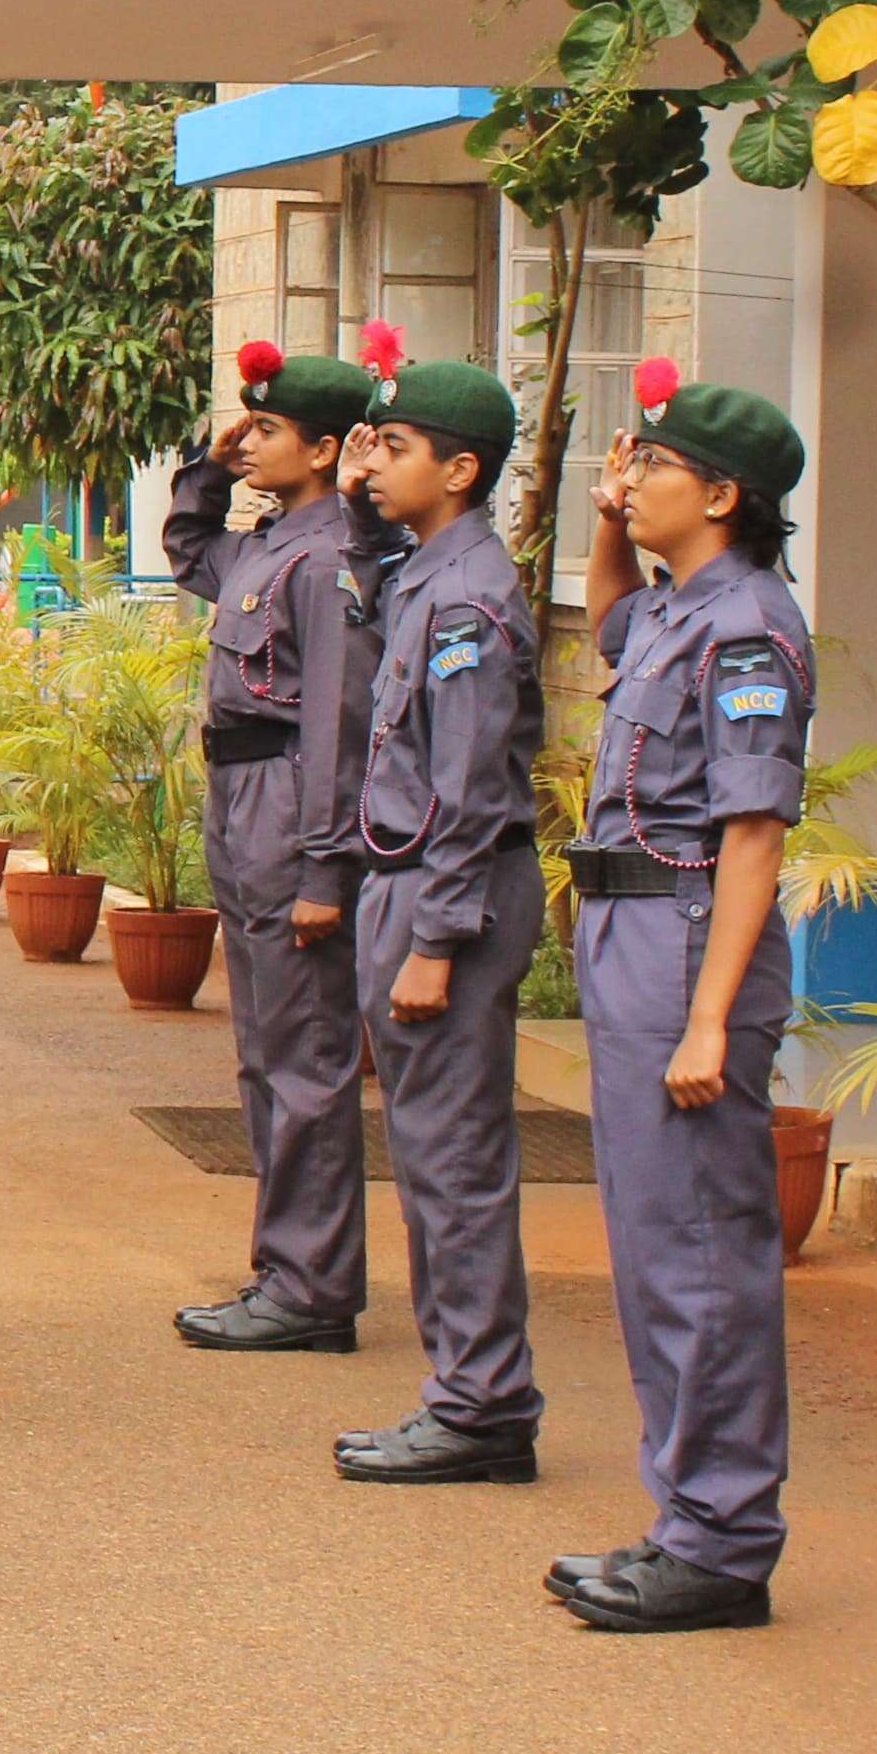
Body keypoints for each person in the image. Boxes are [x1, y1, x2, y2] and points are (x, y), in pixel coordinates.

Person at [550, 362, 817, 1634]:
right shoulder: (674, 609)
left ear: (721, 492)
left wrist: (712, 1016)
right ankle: (685, 1518)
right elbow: (605, 614)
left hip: (687, 934)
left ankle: (721, 1541)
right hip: (626, 927)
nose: (631, 477)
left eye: (651, 465)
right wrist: (605, 513)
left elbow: (754, 833)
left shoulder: (751, 623)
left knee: (700, 1250)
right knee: (652, 1244)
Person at [333, 357, 547, 1488]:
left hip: (447, 893)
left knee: (454, 1165)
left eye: (397, 449)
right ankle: (468, 1390)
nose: (374, 465)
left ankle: (482, 1406)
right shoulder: (427, 573)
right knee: (427, 1158)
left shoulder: (466, 600)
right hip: (411, 883)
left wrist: (435, 938)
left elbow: (467, 784)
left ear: (460, 471)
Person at [160, 330, 391, 1356]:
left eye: (267, 430)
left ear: (329, 448)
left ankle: (311, 1285)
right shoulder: (268, 538)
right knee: (264, 1056)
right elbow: (188, 550)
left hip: (290, 800)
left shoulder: (333, 556)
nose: (247, 442)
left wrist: (324, 866)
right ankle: (287, 1264)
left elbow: (340, 720)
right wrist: (208, 465)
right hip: (241, 796)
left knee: (303, 1057)